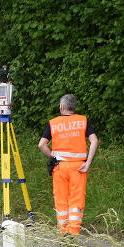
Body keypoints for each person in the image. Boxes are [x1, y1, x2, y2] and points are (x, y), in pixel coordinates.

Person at [38, 93, 99, 236]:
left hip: (60, 167)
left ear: (62, 106)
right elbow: (94, 141)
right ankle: (73, 232)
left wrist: (52, 156)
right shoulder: (83, 120)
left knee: (61, 200)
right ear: (73, 107)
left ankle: (63, 232)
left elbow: (41, 145)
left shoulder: (53, 123)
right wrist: (88, 163)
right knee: (76, 200)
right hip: (79, 168)